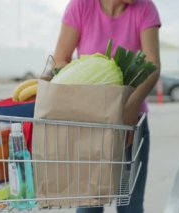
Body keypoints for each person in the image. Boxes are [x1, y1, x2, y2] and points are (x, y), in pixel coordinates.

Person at [53, 0, 161, 212]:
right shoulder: (81, 6)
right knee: (88, 206)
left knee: (130, 205)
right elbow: (60, 60)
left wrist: (130, 110)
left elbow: (153, 65)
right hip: (90, 125)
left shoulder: (145, 8)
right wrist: (90, 96)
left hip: (131, 126)